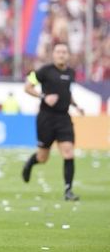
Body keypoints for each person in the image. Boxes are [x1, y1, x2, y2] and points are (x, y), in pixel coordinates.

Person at [22, 42, 84, 201]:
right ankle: (30, 163)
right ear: (53, 54)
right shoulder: (44, 71)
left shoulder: (71, 73)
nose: (61, 54)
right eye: (58, 52)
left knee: (68, 152)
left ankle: (68, 191)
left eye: (64, 52)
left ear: (68, 55)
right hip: (46, 118)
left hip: (64, 117)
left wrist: (76, 106)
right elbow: (27, 86)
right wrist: (43, 97)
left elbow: (66, 92)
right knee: (43, 157)